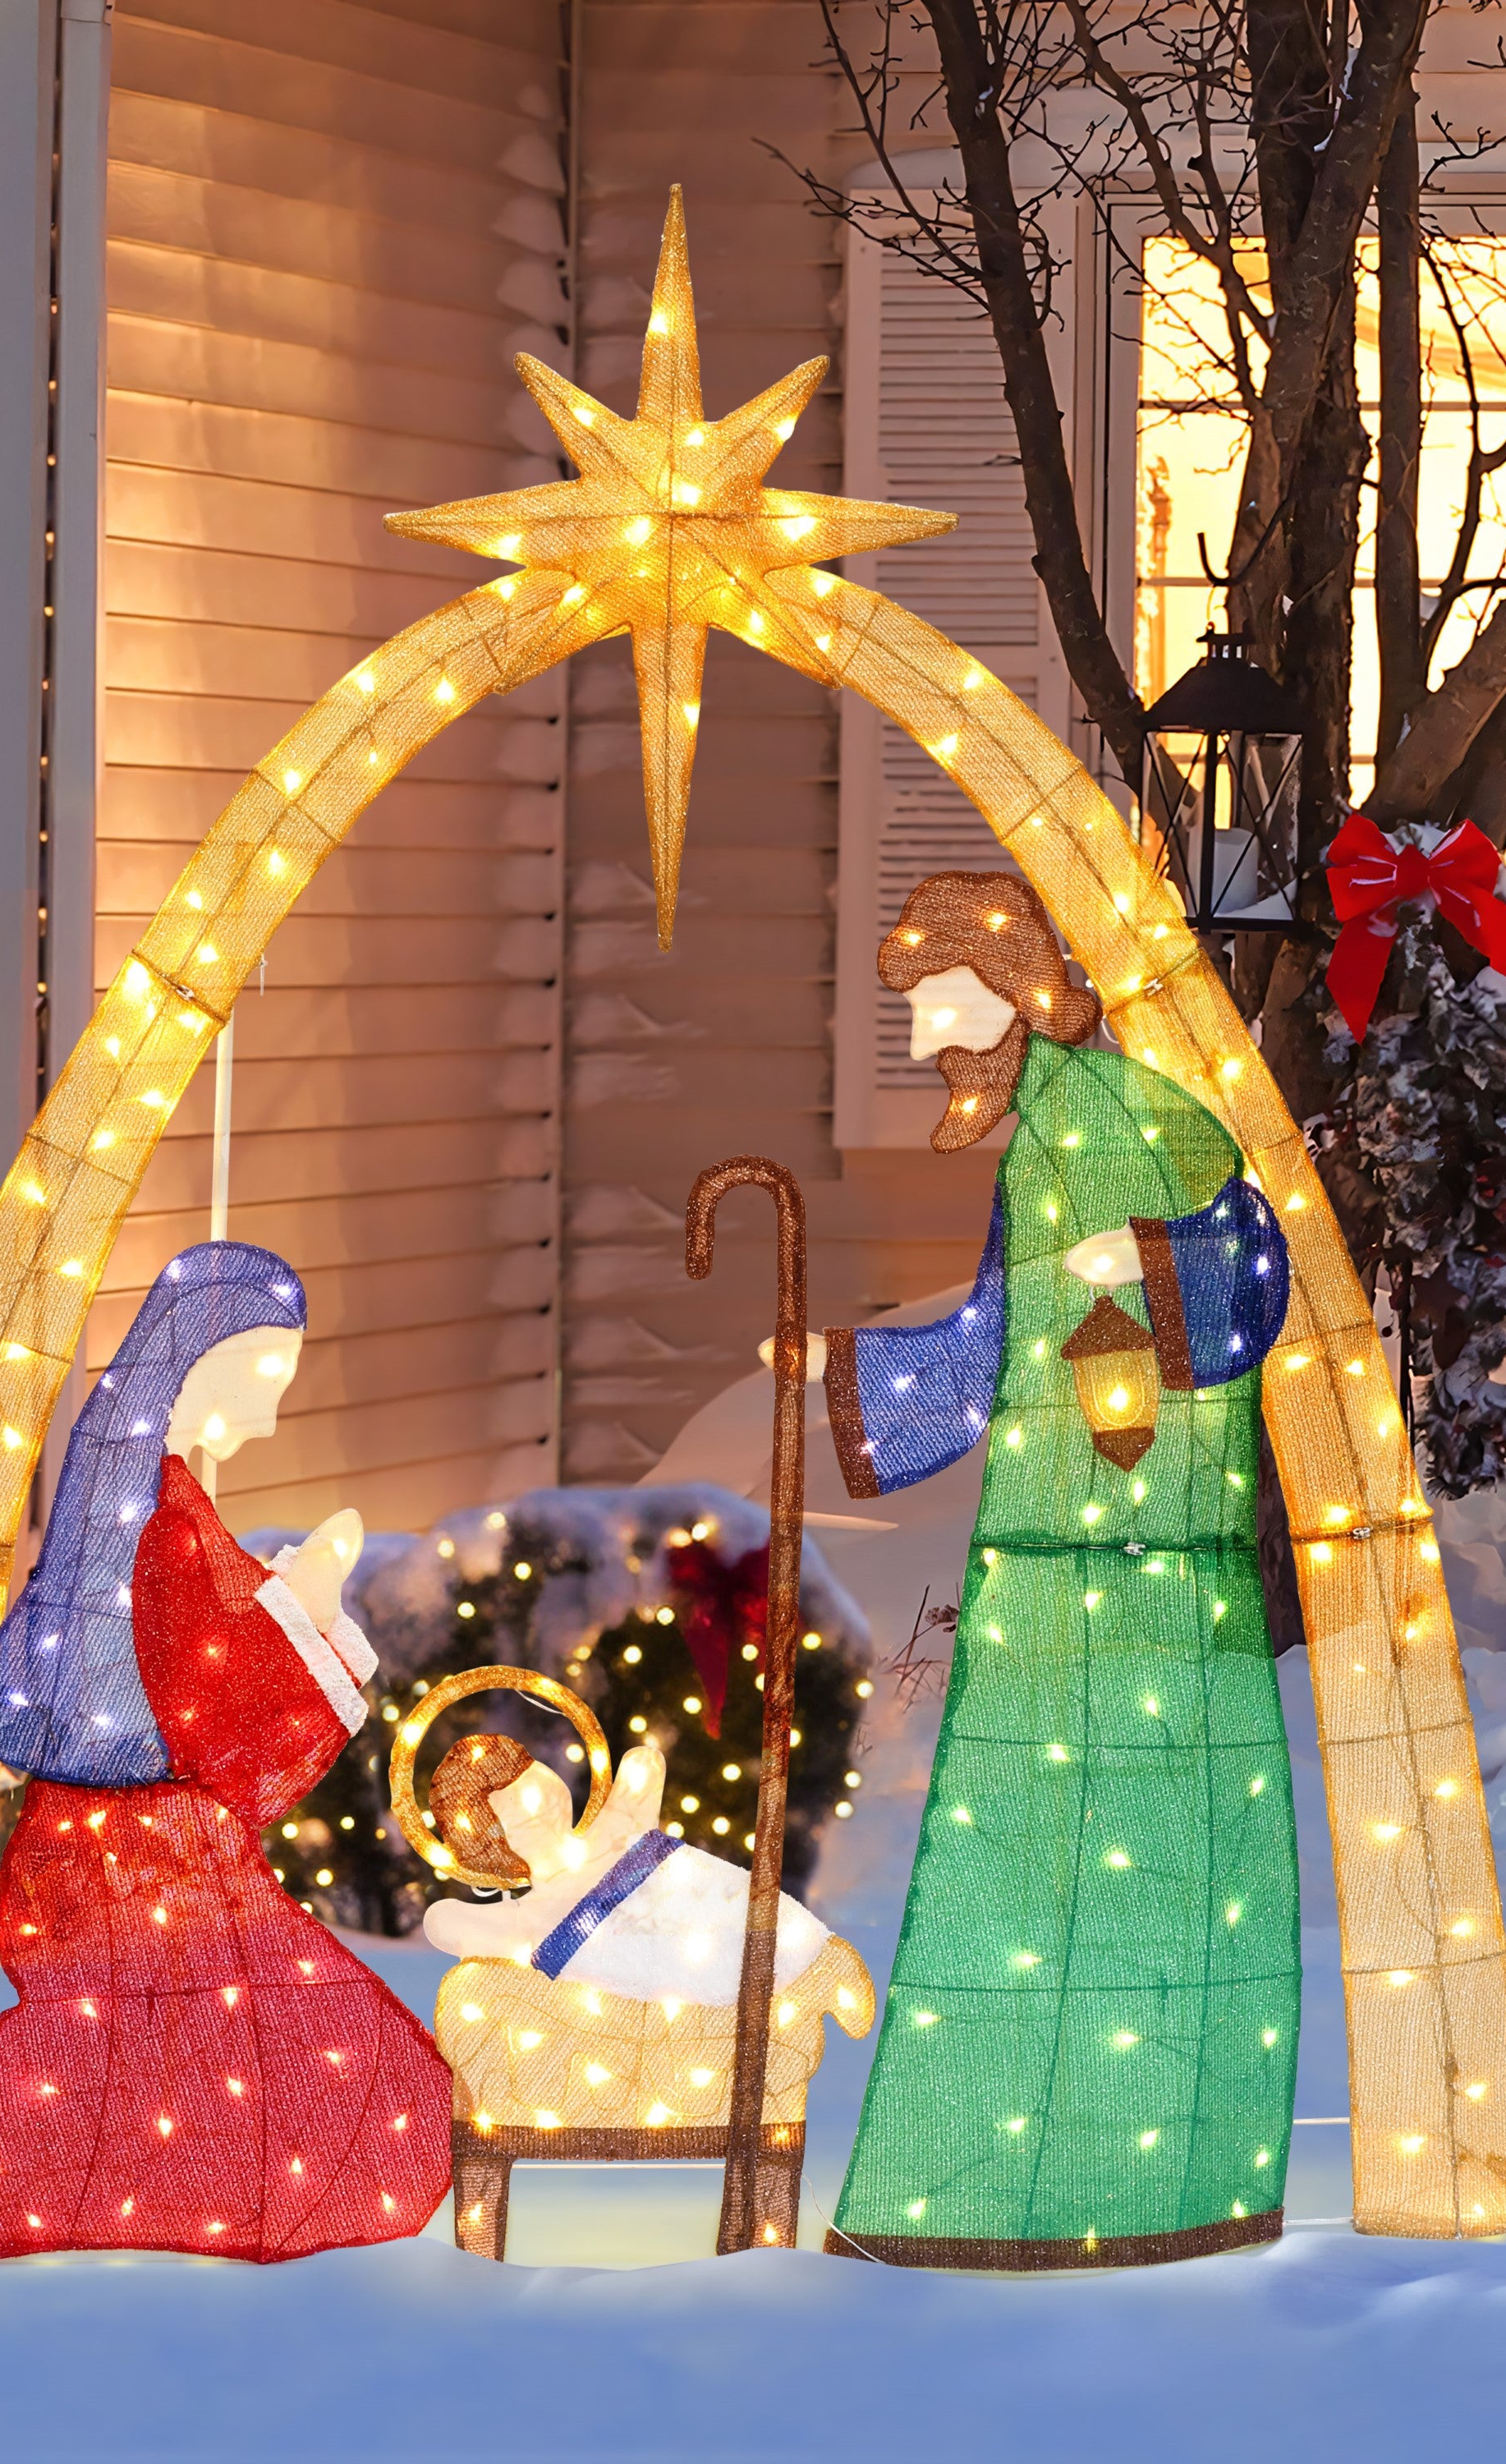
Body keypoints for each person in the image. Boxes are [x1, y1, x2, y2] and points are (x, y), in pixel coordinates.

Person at [803, 871, 1302, 2270]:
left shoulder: (1135, 1124)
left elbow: (1251, 1271)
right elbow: (991, 1340)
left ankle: (1110, 2173)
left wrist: (1142, 1258)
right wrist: (840, 1372)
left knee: (1106, 1885)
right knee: (1019, 1881)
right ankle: (1007, 2167)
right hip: (1044, 1565)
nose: (918, 1039)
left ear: (1011, 989)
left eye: (936, 1001)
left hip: (1141, 1578)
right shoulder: (1039, 1142)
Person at [0, 1241, 450, 2263]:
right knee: (286, 2038)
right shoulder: (153, 1509)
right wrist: (308, 1601)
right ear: (198, 1363)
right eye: (264, 1374)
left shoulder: (141, 1496)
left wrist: (284, 1602)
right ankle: (140, 2195)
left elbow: (186, 1642)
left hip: (116, 1833)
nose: (271, 1405)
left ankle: (140, 2189)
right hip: (137, 1843)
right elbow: (204, 1690)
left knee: (198, 2026)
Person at [420, 1734, 834, 2002]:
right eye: (511, 1810)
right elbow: (446, 1922)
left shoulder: (617, 1827)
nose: (534, 1804)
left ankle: (810, 1961)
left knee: (756, 1934)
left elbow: (644, 1765)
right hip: (652, 1985)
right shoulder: (531, 1918)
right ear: (490, 1847)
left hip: (724, 1924)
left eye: (531, 1780)